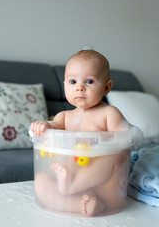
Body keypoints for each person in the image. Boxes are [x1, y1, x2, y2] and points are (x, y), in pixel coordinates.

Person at [31, 50, 131, 216]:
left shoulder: (109, 114)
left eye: (89, 81)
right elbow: (52, 126)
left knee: (111, 156)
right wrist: (43, 125)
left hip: (106, 189)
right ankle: (83, 205)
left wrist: (103, 145)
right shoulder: (63, 117)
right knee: (41, 181)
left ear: (106, 88)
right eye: (72, 81)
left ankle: (73, 184)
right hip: (72, 190)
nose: (79, 87)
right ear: (64, 86)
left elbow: (125, 139)